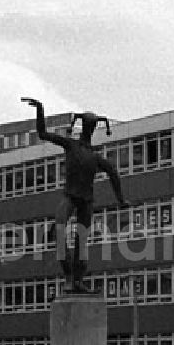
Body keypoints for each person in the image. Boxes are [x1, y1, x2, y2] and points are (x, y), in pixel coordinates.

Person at [21, 97, 129, 293]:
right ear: (83, 126)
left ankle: (76, 279)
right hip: (71, 196)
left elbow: (113, 172)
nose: (88, 128)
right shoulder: (71, 145)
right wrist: (40, 110)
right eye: (88, 124)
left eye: (91, 125)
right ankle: (70, 276)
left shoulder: (93, 156)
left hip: (85, 201)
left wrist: (121, 200)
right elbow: (43, 133)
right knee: (60, 229)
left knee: (81, 242)